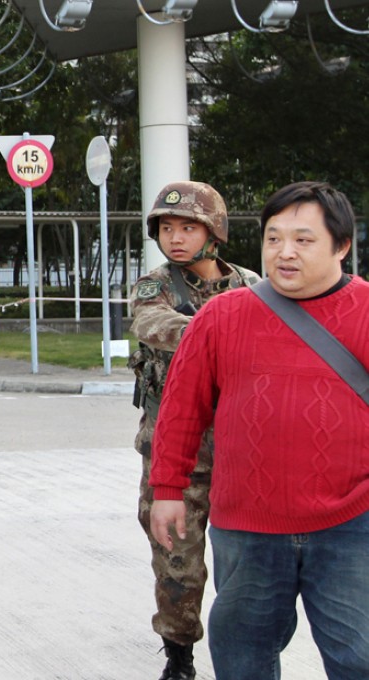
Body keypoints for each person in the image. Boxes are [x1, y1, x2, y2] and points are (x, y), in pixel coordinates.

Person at [150, 181, 369, 680]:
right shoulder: (221, 317)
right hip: (247, 527)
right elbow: (182, 409)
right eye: (274, 238)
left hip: (351, 524)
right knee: (242, 655)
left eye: (303, 240)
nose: (284, 252)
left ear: (341, 246)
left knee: (358, 657)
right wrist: (168, 489)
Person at [128, 181, 259, 680]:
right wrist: (218, 330)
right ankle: (179, 652)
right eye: (166, 228)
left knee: (247, 560)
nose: (175, 237)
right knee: (177, 558)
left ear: (214, 231)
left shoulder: (251, 284)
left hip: (243, 445)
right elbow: (151, 323)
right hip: (176, 450)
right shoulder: (155, 284)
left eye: (188, 227)